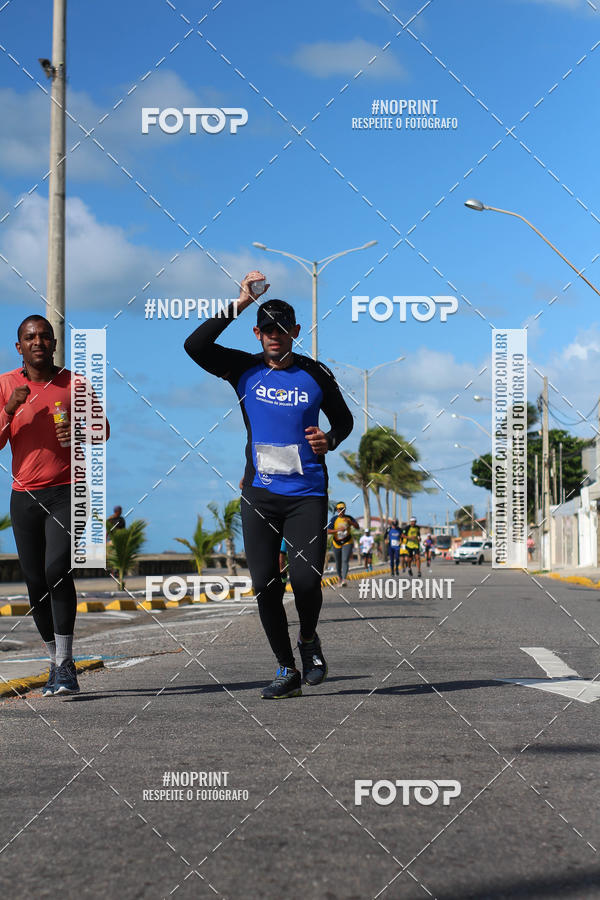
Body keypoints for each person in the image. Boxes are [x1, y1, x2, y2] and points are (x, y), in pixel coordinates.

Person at [184, 271, 354, 700]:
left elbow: (345, 421)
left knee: (307, 581)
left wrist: (329, 440)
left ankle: (309, 640)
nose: (275, 336)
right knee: (265, 585)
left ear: (295, 332)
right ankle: (285, 668)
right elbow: (195, 346)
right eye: (267, 329)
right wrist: (240, 301)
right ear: (257, 333)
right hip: (260, 494)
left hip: (306, 495)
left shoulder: (316, 374)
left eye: (283, 329)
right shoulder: (242, 369)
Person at [0, 316, 109, 696]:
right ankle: (54, 661)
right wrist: (10, 410)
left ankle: (66, 664)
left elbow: (103, 430)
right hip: (24, 495)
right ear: (20, 347)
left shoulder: (74, 382)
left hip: (69, 490)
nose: (38, 342)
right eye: (30, 337)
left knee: (57, 569)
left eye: (45, 337)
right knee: (34, 582)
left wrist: (79, 430)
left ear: (54, 343)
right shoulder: (6, 385)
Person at [327, 501, 359, 586]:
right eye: (340, 509)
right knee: (338, 562)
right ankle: (340, 578)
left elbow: (357, 527)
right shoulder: (334, 519)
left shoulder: (349, 518)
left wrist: (351, 523)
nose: (342, 511)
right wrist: (337, 530)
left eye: (343, 509)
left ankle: (344, 579)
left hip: (347, 542)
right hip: (336, 543)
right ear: (337, 510)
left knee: (345, 560)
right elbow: (328, 531)